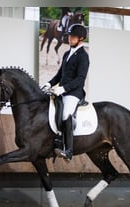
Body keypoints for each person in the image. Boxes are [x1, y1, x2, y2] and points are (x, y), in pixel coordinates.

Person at [40, 24, 89, 161]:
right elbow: (60, 74)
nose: (69, 38)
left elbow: (80, 79)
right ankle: (55, 141)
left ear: (81, 38)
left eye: (73, 36)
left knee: (66, 114)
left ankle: (68, 150)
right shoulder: (67, 53)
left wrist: (64, 88)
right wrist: (49, 83)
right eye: (69, 36)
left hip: (74, 93)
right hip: (62, 91)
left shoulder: (83, 56)